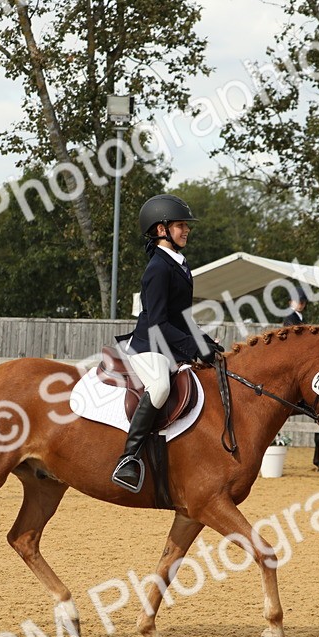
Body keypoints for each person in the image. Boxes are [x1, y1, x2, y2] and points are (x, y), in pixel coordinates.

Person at [111, 193, 220, 493]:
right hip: (149, 344)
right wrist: (194, 347)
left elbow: (182, 318)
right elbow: (159, 323)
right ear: (162, 229)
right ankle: (128, 457)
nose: (187, 230)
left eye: (186, 225)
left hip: (168, 343)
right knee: (160, 387)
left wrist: (205, 342)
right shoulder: (158, 269)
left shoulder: (179, 264)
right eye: (181, 225)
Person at [279, 289, 319, 471]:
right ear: (291, 302)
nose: (301, 304)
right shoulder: (290, 319)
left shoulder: (301, 319)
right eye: (297, 301)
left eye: (302, 301)